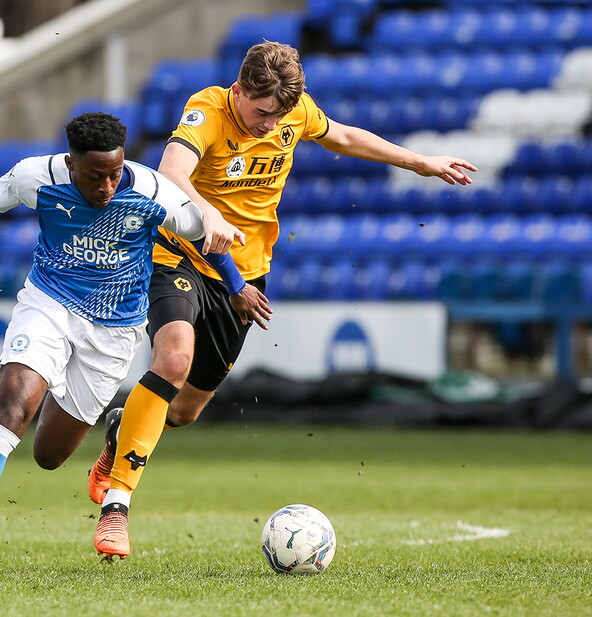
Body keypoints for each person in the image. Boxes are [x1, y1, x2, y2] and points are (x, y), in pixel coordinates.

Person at [88, 41, 478, 559]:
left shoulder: (292, 111)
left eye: (279, 117)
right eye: (261, 113)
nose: (270, 125)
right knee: (173, 357)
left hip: (246, 277)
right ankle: (117, 507)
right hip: (177, 257)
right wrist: (206, 214)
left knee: (182, 411)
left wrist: (419, 162)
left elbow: (340, 135)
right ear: (239, 90)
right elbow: (172, 172)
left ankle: (121, 427)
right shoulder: (208, 109)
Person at [0, 112, 270, 577]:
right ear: (71, 163)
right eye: (97, 176)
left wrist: (236, 285)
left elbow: (207, 236)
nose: (109, 186)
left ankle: (116, 433)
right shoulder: (37, 176)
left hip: (115, 329)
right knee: (12, 406)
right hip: (49, 303)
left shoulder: (153, 192)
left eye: (115, 173)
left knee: (49, 455)